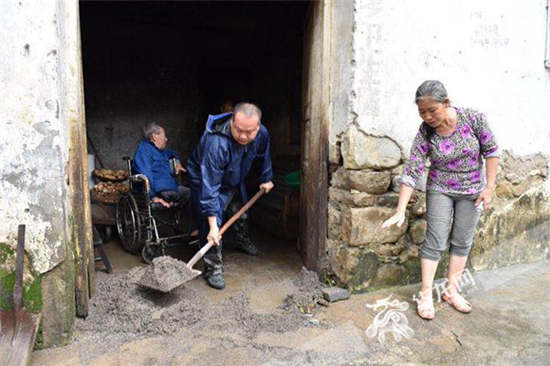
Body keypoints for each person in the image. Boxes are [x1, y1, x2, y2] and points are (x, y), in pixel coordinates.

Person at [382, 80, 499, 320]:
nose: (427, 116)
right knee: (434, 240)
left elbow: (491, 151)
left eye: (431, 110)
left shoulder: (473, 118)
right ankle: (426, 295)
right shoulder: (426, 132)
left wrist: (489, 188)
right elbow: (413, 169)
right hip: (440, 188)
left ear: (446, 103)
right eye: (421, 112)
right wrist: (401, 209)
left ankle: (451, 291)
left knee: (462, 241)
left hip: (472, 190)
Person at [187, 102, 274, 289]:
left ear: (257, 127)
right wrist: (212, 225)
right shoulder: (216, 142)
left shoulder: (262, 134)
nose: (243, 136)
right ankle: (213, 268)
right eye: (239, 130)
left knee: (240, 211)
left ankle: (241, 239)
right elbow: (210, 186)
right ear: (232, 121)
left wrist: (266, 178)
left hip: (235, 177)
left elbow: (262, 156)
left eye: (249, 132)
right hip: (206, 179)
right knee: (211, 225)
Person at [132, 122, 190, 208]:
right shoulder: (144, 150)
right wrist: (153, 197)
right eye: (164, 136)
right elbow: (145, 174)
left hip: (171, 187)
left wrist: (177, 162)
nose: (166, 139)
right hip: (161, 191)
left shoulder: (161, 151)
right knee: (195, 195)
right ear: (155, 136)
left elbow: (173, 153)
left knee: (196, 192)